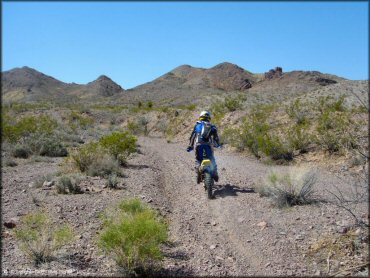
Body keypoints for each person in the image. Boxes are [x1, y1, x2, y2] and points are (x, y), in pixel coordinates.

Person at [187, 111, 221, 183]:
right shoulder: (212, 126)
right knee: (212, 159)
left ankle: (199, 172)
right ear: (209, 118)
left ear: (200, 117)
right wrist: (218, 145)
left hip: (198, 145)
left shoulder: (197, 125)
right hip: (208, 145)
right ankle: (214, 173)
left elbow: (192, 137)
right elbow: (216, 138)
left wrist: (190, 146)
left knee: (198, 159)